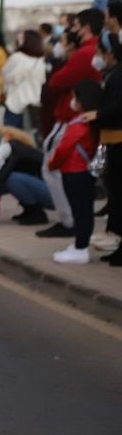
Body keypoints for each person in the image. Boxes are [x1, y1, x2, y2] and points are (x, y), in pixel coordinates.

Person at [48, 80, 101, 264]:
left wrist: (52, 163)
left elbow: (63, 148)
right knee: (84, 209)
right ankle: (80, 244)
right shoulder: (93, 122)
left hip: (74, 171)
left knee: (80, 211)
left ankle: (81, 249)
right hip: (85, 172)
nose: (72, 101)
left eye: (74, 97)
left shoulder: (79, 124)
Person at [83, 31, 122, 265]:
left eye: (99, 51)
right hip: (112, 139)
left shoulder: (117, 76)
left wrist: (98, 114)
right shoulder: (113, 74)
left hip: (118, 140)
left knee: (119, 193)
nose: (96, 56)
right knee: (116, 193)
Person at [0, 127, 52, 225]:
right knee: (11, 180)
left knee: (12, 179)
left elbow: (3, 175)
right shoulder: (16, 148)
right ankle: (30, 210)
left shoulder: (15, 150)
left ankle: (36, 213)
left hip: (52, 194)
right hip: (45, 189)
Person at [0, 29, 46, 130]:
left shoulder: (17, 57)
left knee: (10, 136)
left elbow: (4, 73)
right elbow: (42, 81)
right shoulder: (40, 61)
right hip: (32, 105)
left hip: (15, 103)